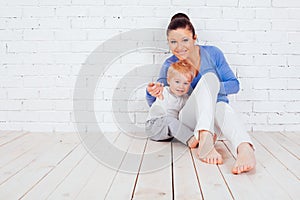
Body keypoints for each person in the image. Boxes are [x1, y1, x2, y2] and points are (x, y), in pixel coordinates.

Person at [146, 13, 256, 174]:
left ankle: (245, 148)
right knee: (210, 81)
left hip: (215, 118)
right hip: (189, 121)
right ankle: (204, 137)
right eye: (173, 42)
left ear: (194, 38)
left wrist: (208, 89)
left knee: (219, 104)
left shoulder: (213, 54)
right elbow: (161, 101)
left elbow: (234, 85)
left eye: (185, 40)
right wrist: (151, 92)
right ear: (168, 43)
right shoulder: (169, 64)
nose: (179, 47)